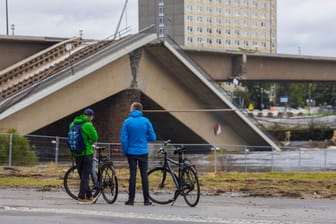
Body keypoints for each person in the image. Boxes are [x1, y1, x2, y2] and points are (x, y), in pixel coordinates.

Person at [120, 102, 156, 206]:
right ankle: (146, 200)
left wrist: (125, 151)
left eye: (130, 108)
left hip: (131, 152)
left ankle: (131, 200)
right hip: (143, 152)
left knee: (133, 175)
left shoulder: (127, 122)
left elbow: (124, 139)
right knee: (144, 175)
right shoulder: (146, 121)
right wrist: (144, 139)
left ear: (133, 109)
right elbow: (153, 137)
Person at [69, 108, 98, 204]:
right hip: (86, 153)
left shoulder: (73, 124)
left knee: (82, 176)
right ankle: (81, 196)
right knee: (85, 176)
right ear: (90, 116)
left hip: (76, 153)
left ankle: (89, 196)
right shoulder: (88, 125)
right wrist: (89, 142)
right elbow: (95, 138)